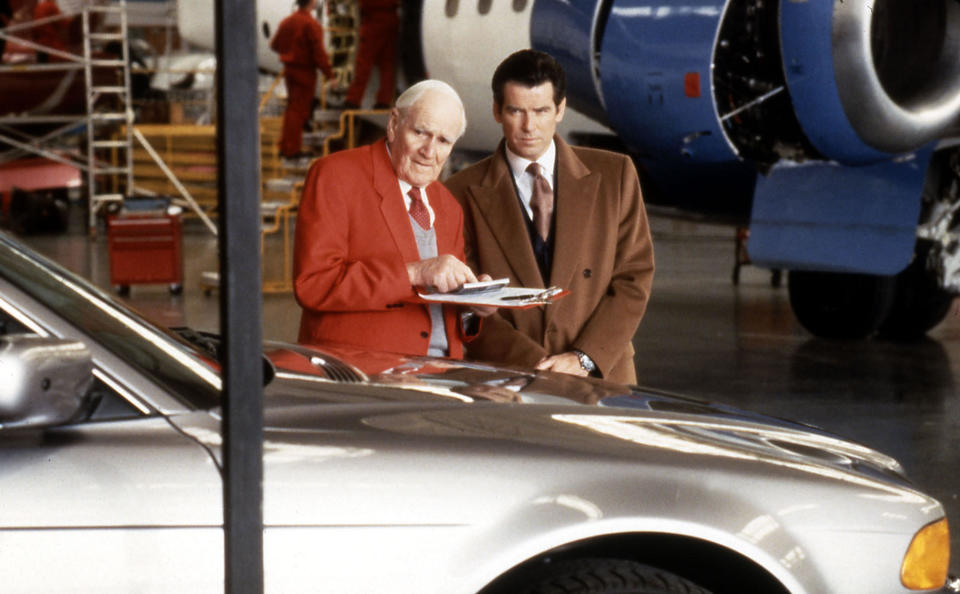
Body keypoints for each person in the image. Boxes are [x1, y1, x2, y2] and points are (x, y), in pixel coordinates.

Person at [445, 49, 654, 384]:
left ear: (560, 109)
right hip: (510, 376)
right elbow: (465, 305)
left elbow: (633, 278)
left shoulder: (615, 175)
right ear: (497, 110)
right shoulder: (459, 191)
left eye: (541, 111)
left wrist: (584, 359)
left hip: (603, 374)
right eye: (516, 111)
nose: (529, 127)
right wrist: (537, 365)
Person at [294, 79, 492, 358]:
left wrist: (473, 305)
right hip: (362, 375)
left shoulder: (448, 206)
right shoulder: (336, 176)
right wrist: (415, 272)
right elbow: (314, 285)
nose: (429, 151)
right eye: (421, 132)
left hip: (442, 377)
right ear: (393, 123)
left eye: (444, 141)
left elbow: (443, 316)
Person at [270, 0, 335, 158]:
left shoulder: (287, 22)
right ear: (311, 3)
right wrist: (330, 75)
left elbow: (274, 44)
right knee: (299, 111)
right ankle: (291, 149)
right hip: (305, 72)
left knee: (292, 109)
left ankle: (285, 146)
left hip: (289, 70)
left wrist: (289, 52)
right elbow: (319, 54)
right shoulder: (310, 24)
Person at [342, 0, 399, 109]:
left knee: (363, 64)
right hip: (392, 20)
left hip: (373, 20)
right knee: (387, 65)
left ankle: (353, 101)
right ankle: (383, 101)